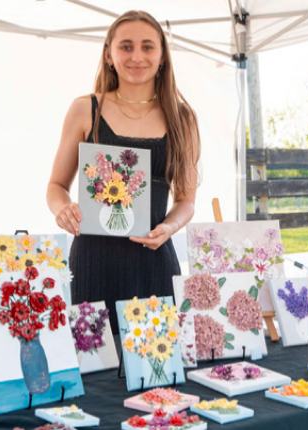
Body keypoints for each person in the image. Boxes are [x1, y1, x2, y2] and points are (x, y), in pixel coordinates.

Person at [46, 10, 200, 333]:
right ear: (109, 54)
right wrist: (62, 209)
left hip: (154, 262)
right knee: (96, 374)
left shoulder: (183, 119)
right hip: (92, 263)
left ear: (161, 56)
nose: (137, 56)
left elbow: (186, 201)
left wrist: (169, 227)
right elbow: (56, 185)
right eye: (126, 46)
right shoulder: (84, 109)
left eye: (147, 47)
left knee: (157, 373)